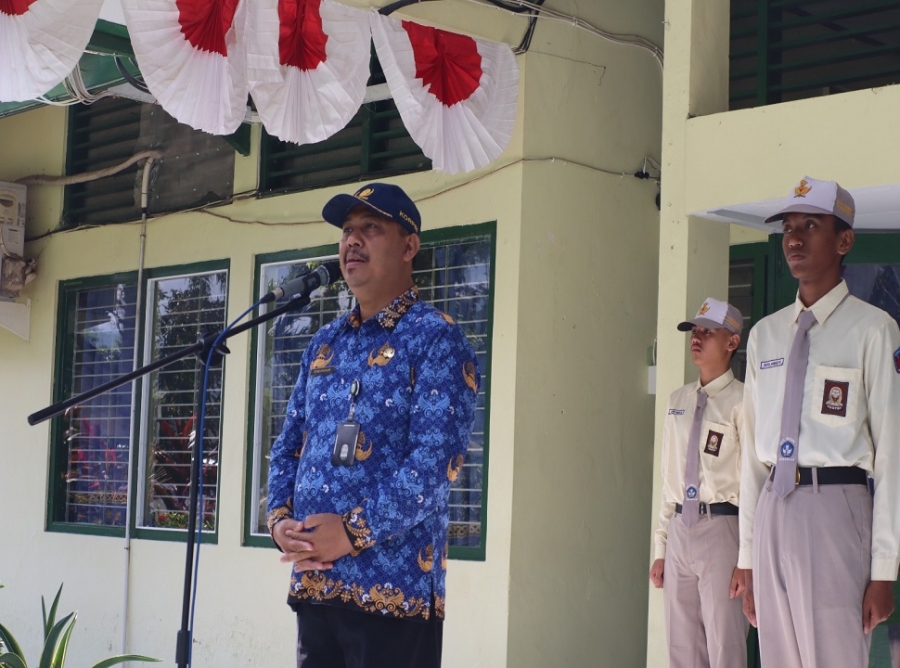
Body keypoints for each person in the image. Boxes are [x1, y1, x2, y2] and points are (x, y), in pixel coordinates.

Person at [266, 182, 480, 668]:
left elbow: (432, 468)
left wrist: (351, 531)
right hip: (316, 587)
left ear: (409, 246)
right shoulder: (324, 343)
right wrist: (281, 524)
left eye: (370, 228)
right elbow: (287, 448)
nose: (352, 241)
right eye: (346, 231)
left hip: (392, 597)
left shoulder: (436, 340)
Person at [740, 176, 900, 667]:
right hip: (772, 506)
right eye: (788, 227)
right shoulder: (765, 336)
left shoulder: (873, 329)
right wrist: (746, 559)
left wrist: (885, 569)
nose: (794, 238)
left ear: (844, 240)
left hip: (837, 507)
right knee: (779, 657)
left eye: (811, 225)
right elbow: (750, 455)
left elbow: (892, 452)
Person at [650, 297, 749, 668]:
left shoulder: (743, 401)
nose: (697, 338)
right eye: (695, 331)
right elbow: (667, 476)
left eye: (708, 332)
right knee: (682, 647)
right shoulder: (677, 401)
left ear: (731, 342)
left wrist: (747, 558)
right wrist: (660, 548)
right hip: (679, 529)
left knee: (725, 645)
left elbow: (754, 483)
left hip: (723, 527)